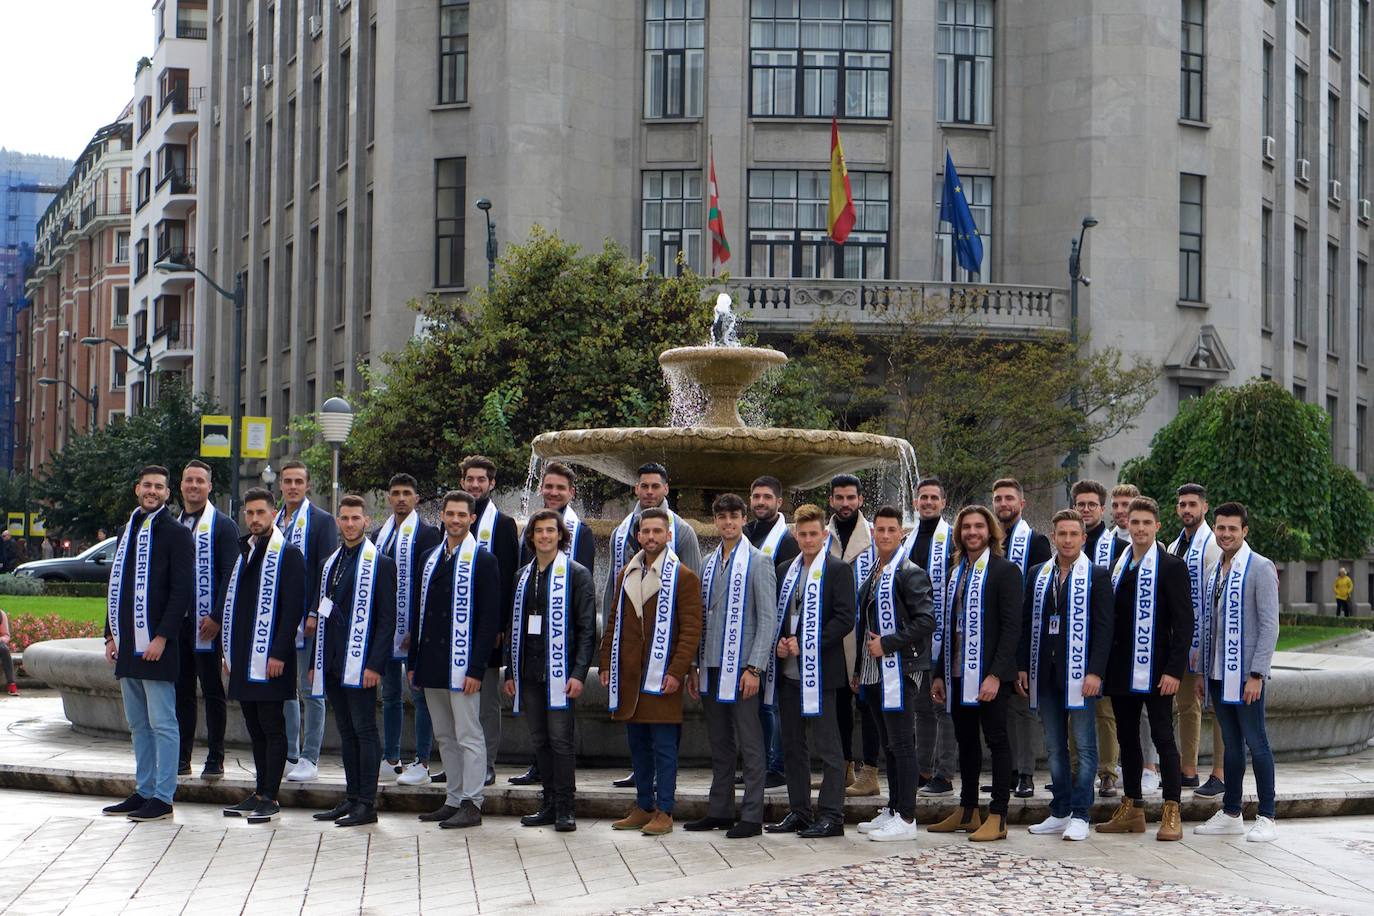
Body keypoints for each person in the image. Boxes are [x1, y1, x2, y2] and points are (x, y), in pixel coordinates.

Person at [598, 507, 703, 836]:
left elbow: (691, 630)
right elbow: (613, 621)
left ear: (669, 535)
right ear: (638, 535)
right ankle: (643, 805)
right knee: (638, 743)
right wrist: (605, 663)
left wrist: (677, 670)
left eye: (658, 532)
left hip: (662, 675)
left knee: (664, 746)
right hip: (630, 673)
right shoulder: (625, 574)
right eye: (646, 532)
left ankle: (665, 810)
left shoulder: (683, 576)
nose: (651, 537)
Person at [101, 466, 195, 823]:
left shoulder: (175, 534)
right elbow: (116, 586)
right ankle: (143, 789)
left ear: (168, 494)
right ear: (136, 488)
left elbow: (182, 591)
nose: (152, 491)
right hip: (128, 645)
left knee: (164, 722)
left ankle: (163, 796)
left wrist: (162, 637)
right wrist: (109, 633)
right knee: (138, 723)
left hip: (158, 645)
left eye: (159, 487)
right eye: (147, 485)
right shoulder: (127, 531)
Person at [1097, 496, 1193, 842]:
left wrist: (1174, 670)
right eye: (1134, 523)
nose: (1138, 529)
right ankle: (1133, 807)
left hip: (1157, 671)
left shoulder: (1170, 566)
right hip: (1122, 668)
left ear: (1157, 527)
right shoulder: (1118, 564)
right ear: (1127, 524)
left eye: (1145, 523)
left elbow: (1184, 624)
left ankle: (1171, 809)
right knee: (1127, 738)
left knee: (1163, 737)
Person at [685, 494, 778, 839]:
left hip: (741, 670)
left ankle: (752, 815)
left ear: (743, 520)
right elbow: (698, 619)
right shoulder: (708, 563)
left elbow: (768, 619)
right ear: (716, 521)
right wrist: (694, 665)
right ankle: (720, 809)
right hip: (710, 666)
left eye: (734, 517)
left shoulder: (758, 561)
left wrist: (754, 668)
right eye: (721, 517)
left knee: (750, 744)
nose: (728, 523)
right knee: (720, 743)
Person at [1018, 509, 1114, 842]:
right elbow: (1026, 623)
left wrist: (1095, 672)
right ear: (1054, 536)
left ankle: (1081, 813)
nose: (1068, 540)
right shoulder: (1037, 573)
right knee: (1054, 747)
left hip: (1081, 675)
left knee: (1085, 746)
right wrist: (1021, 666)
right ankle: (1059, 811)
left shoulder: (1097, 576)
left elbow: (1104, 629)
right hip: (1045, 672)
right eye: (1062, 534)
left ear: (1083, 538)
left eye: (1074, 534)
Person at [928, 504, 1022, 842]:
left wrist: (996, 674)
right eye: (966, 527)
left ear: (990, 531)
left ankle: (998, 814)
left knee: (996, 740)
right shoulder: (955, 573)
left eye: (978, 527)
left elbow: (1012, 628)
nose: (972, 532)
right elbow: (947, 626)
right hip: (956, 672)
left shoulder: (1004, 570)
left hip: (989, 676)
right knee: (965, 741)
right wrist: (939, 673)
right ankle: (968, 809)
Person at [410, 491, 503, 829]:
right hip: (432, 661)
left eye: (462, 515)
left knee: (468, 734)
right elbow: (418, 615)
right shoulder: (429, 558)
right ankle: (453, 797)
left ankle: (473, 801)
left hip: (463, 664)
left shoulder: (483, 560)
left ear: (472, 519)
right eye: (450, 514)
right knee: (445, 735)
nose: (455, 520)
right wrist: (412, 663)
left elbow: (489, 621)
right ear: (443, 516)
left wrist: (477, 668)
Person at [763, 504, 854, 839]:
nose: (808, 539)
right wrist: (779, 644)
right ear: (795, 535)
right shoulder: (785, 568)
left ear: (824, 535)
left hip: (824, 676)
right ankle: (799, 811)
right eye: (802, 534)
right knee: (791, 746)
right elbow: (776, 616)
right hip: (788, 674)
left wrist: (808, 643)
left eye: (813, 534)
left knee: (830, 749)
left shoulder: (838, 570)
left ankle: (832, 815)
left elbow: (845, 618)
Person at [1192, 502, 1280, 843]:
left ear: (1244, 531)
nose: (1225, 534)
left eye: (1232, 528)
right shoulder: (1217, 569)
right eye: (1221, 528)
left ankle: (1268, 815)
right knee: (1230, 745)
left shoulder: (1259, 567)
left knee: (1257, 742)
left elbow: (1269, 625)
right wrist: (1200, 672)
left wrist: (1257, 673)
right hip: (1217, 674)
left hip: (1245, 677)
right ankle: (1231, 812)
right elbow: (1208, 623)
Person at [504, 509, 597, 831]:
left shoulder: (577, 574)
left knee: (561, 742)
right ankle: (547, 802)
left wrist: (579, 673)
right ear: (531, 537)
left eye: (550, 531)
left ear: (561, 536)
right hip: (528, 671)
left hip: (560, 672)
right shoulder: (522, 577)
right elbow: (512, 626)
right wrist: (510, 672)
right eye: (539, 531)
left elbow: (587, 629)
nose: (544, 536)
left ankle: (565, 808)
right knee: (540, 741)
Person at [218, 488, 307, 825]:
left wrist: (280, 652)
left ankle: (271, 795)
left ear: (274, 515)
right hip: (244, 658)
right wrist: (228, 650)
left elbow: (293, 609)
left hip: (271, 660)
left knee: (272, 727)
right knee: (254, 727)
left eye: (261, 513)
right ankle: (258, 791)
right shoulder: (245, 552)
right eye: (250, 513)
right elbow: (234, 607)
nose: (255, 519)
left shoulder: (289, 555)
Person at [310, 495, 396, 827]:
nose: (349, 524)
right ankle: (351, 796)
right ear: (338, 521)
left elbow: (387, 621)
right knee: (346, 732)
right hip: (332, 660)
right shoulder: (329, 563)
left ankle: (366, 802)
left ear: (367, 520)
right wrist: (316, 660)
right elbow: (323, 612)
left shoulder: (381, 563)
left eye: (355, 518)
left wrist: (375, 664)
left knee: (364, 730)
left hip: (361, 662)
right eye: (344, 518)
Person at [853, 506, 936, 842]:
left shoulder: (909, 571)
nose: (885, 535)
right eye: (880, 530)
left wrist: (888, 643)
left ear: (901, 533)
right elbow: (864, 625)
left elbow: (926, 621)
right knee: (888, 743)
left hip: (900, 669)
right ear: (873, 533)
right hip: (874, 670)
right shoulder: (876, 570)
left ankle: (907, 817)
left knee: (902, 744)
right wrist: (859, 668)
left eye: (891, 530)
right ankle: (893, 807)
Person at [369, 473, 442, 787]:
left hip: (415, 628)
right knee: (389, 695)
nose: (400, 498)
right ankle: (391, 757)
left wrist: (418, 625)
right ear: (388, 497)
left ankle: (423, 761)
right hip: (386, 629)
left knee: (421, 695)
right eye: (395, 492)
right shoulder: (378, 536)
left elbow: (432, 584)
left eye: (406, 493)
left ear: (416, 498)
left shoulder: (427, 535)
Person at [175, 459, 240, 780]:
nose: (194, 486)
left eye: (200, 481)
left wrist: (217, 616)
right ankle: (182, 757)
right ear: (181, 485)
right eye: (189, 480)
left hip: (208, 624)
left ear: (210, 487)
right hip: (179, 626)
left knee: (213, 691)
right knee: (181, 691)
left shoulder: (223, 525)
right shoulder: (174, 524)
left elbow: (231, 574)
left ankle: (215, 756)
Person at [274, 460, 338, 782]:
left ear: (308, 485)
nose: (293, 486)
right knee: (286, 690)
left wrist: (315, 612)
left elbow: (328, 574)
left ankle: (311, 756)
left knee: (312, 690)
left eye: (299, 481)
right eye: (288, 481)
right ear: (281, 485)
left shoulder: (322, 521)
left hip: (309, 621)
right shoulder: (274, 521)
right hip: (279, 621)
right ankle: (291, 753)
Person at [460, 455, 520, 787]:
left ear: (491, 484)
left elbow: (509, 578)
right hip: (455, 627)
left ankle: (486, 763)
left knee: (485, 701)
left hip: (487, 630)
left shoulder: (504, 524)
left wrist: (500, 626)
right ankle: (460, 762)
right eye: (470, 479)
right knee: (458, 700)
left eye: (481, 480)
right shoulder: (453, 521)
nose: (475, 485)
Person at [991, 477, 1051, 799]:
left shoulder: (1037, 541)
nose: (1003, 504)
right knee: (1002, 709)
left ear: (1022, 503)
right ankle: (1009, 770)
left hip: (1025, 636)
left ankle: (1026, 773)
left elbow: (1037, 597)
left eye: (1009, 498)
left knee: (1023, 707)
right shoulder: (990, 541)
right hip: (992, 638)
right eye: (998, 498)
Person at [1167, 483, 1225, 797]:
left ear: (1204, 507)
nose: (1187, 509)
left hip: (1211, 638)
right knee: (1187, 704)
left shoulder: (1213, 543)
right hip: (1184, 640)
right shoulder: (1176, 545)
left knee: (1217, 707)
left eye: (1192, 504)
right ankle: (1187, 769)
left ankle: (1220, 771)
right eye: (1182, 504)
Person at [825, 474, 881, 799]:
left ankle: (870, 772)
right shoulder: (822, 537)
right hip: (837, 635)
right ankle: (844, 767)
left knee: (869, 705)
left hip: (867, 634)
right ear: (831, 500)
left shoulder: (875, 535)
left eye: (851, 498)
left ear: (860, 500)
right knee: (840, 706)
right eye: (839, 498)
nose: (845, 504)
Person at [905, 477, 958, 799]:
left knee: (943, 708)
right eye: (922, 497)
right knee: (921, 708)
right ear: (914, 503)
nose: (927, 502)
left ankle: (944, 773)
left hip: (944, 635)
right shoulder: (908, 539)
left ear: (943, 502)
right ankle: (922, 770)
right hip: (916, 635)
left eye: (933, 498)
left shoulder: (952, 538)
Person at [743, 475, 796, 790]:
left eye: (767, 497)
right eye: (756, 497)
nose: (760, 502)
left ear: (779, 502)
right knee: (757, 705)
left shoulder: (786, 541)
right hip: (749, 630)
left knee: (772, 703)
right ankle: (758, 763)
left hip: (776, 633)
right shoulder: (747, 532)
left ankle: (776, 765)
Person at [1090, 482, 1140, 798]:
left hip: (1130, 641)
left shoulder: (1144, 548)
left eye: (1127, 505)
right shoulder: (1103, 544)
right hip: (1096, 633)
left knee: (1131, 714)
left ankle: (1137, 770)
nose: (1121, 511)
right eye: (1117, 505)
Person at [0, 609, 18, 695]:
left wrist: (1, 639)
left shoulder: (1, 614)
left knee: (4, 649)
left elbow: (6, 635)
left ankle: (11, 683)